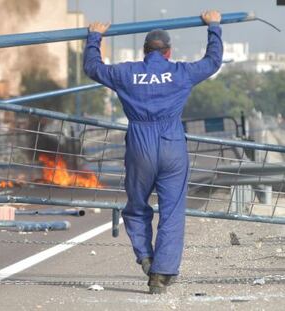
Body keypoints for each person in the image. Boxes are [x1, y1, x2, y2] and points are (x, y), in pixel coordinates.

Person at [83, 10, 223, 294]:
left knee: (136, 206)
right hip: (172, 142)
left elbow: (93, 67)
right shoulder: (180, 73)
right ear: (168, 53)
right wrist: (214, 27)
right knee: (172, 210)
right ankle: (161, 274)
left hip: (139, 143)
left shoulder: (126, 73)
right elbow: (212, 62)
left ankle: (146, 256)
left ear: (144, 51)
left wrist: (94, 36)